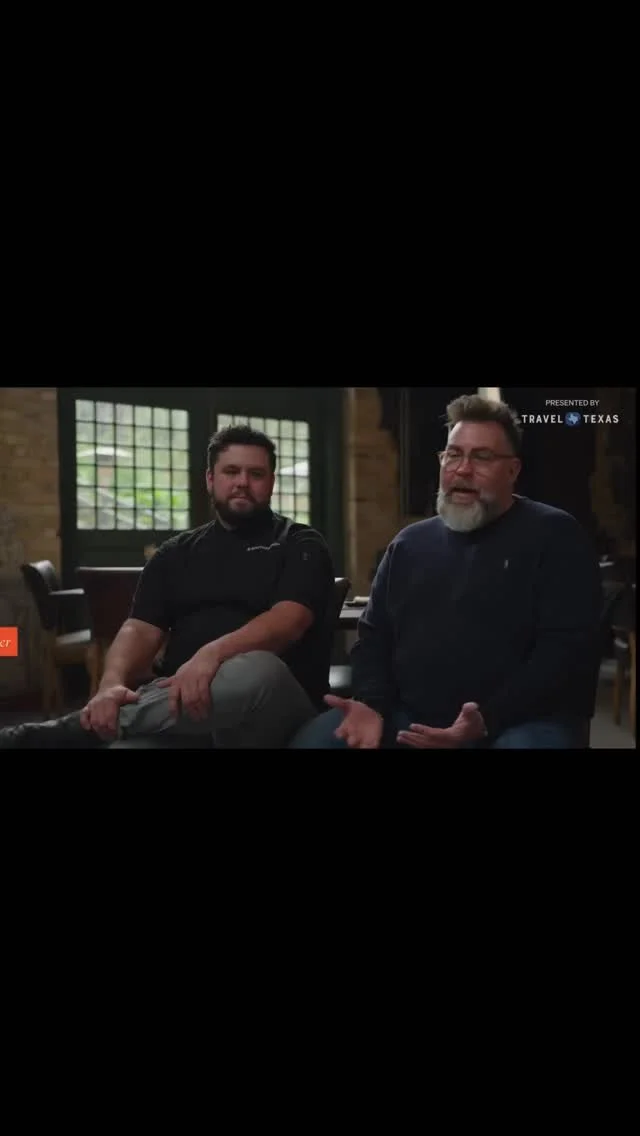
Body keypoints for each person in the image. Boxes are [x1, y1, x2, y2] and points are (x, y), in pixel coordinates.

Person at [291, 393, 603, 750]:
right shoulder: (409, 544)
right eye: (453, 454)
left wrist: (487, 719)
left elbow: (564, 654)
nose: (462, 469)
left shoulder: (555, 535)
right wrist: (372, 704)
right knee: (314, 742)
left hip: (518, 720)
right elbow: (373, 638)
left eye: (482, 457)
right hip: (408, 715)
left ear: (513, 471)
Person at [0, 425, 333, 749]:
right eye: (231, 471)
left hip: (271, 714)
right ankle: (97, 726)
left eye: (256, 474)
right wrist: (110, 685)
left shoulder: (300, 543)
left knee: (259, 668)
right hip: (183, 712)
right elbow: (139, 628)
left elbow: (289, 620)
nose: (242, 482)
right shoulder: (175, 553)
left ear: (271, 482)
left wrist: (211, 655)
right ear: (210, 479)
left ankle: (68, 732)